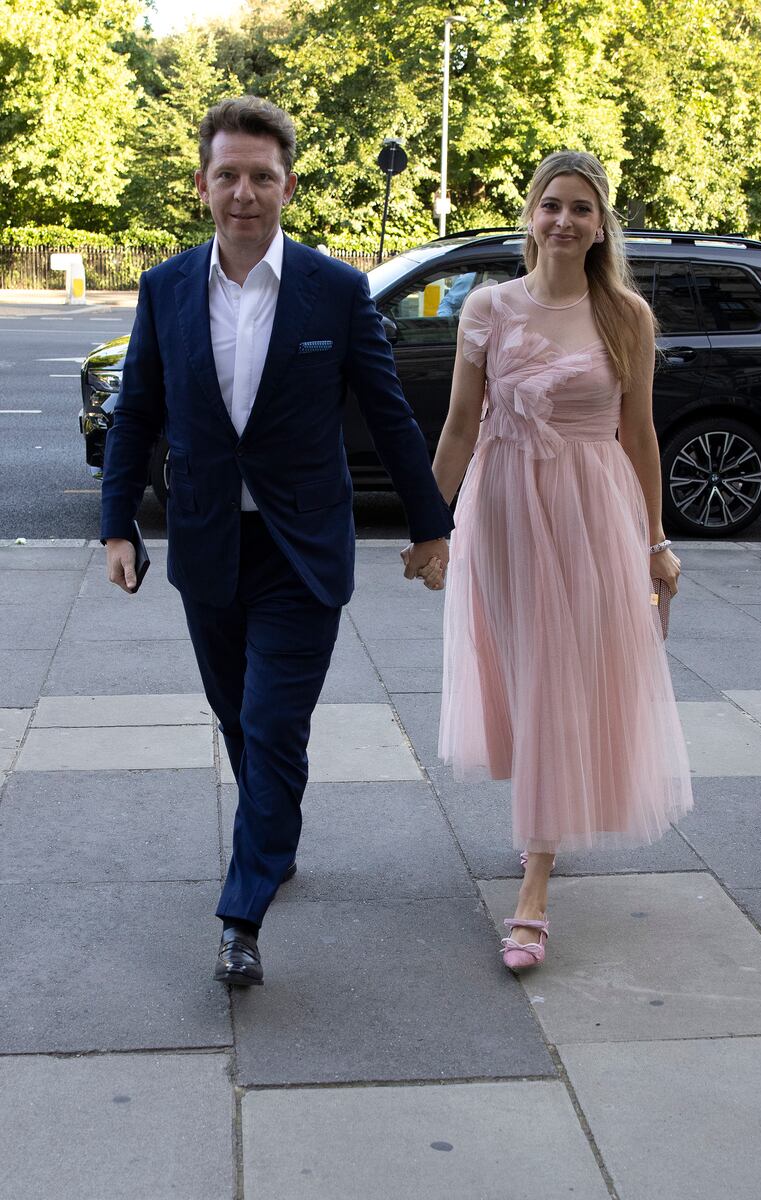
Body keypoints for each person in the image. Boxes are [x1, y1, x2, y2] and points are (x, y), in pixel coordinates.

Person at [101, 96, 452, 987]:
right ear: (202, 184)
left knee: (272, 722)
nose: (245, 192)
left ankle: (240, 916)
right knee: (237, 720)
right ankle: (276, 836)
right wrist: (117, 526)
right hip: (211, 546)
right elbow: (137, 407)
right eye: (229, 175)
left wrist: (430, 526)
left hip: (303, 551)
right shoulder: (167, 286)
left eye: (263, 177)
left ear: (288, 186)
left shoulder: (334, 290)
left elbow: (389, 413)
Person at [427, 150, 693, 970]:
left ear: (601, 222)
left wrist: (654, 543)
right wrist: (429, 524)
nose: (565, 221)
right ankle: (545, 815)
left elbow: (640, 436)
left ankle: (534, 888)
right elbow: (461, 427)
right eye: (552, 205)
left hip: (589, 514)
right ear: (530, 214)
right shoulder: (487, 307)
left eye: (582, 207)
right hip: (503, 511)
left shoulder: (625, 316)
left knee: (558, 677)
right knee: (520, 672)